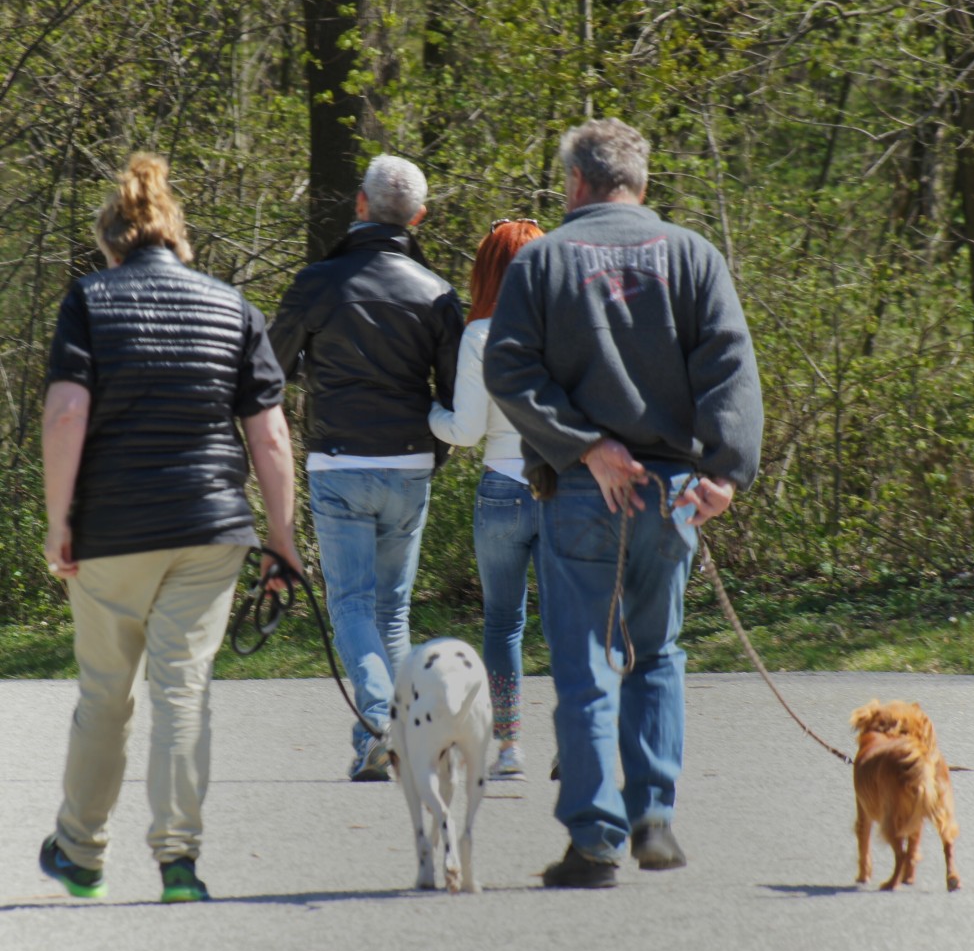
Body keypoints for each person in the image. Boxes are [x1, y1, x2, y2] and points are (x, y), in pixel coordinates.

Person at [483, 118, 763, 888]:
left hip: (583, 489)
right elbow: (730, 365)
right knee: (657, 654)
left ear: (576, 181)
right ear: (641, 181)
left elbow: (508, 372)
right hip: (672, 491)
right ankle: (654, 818)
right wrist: (727, 471)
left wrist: (583, 445)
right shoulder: (693, 255)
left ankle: (595, 840)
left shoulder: (540, 262)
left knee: (584, 664)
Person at [39, 152, 302, 904]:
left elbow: (65, 414)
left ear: (112, 241)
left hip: (112, 530)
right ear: (174, 235)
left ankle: (82, 855)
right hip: (208, 527)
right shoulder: (232, 306)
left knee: (105, 694)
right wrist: (281, 544)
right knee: (183, 692)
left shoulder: (89, 301)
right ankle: (178, 861)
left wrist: (60, 521)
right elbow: (272, 438)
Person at [269, 154, 464, 781]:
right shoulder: (437, 294)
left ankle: (380, 720)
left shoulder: (318, 283)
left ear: (360, 204)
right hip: (409, 465)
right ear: (420, 216)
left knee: (352, 606)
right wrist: (433, 454)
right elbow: (457, 395)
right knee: (392, 613)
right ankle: (384, 740)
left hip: (340, 461)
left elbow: (269, 368)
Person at [428, 218, 544, 781]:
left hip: (502, 488)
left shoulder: (480, 337)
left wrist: (430, 412)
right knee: (573, 620)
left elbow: (466, 430)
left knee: (503, 623)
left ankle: (509, 746)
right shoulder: (564, 328)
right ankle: (577, 742)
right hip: (563, 487)